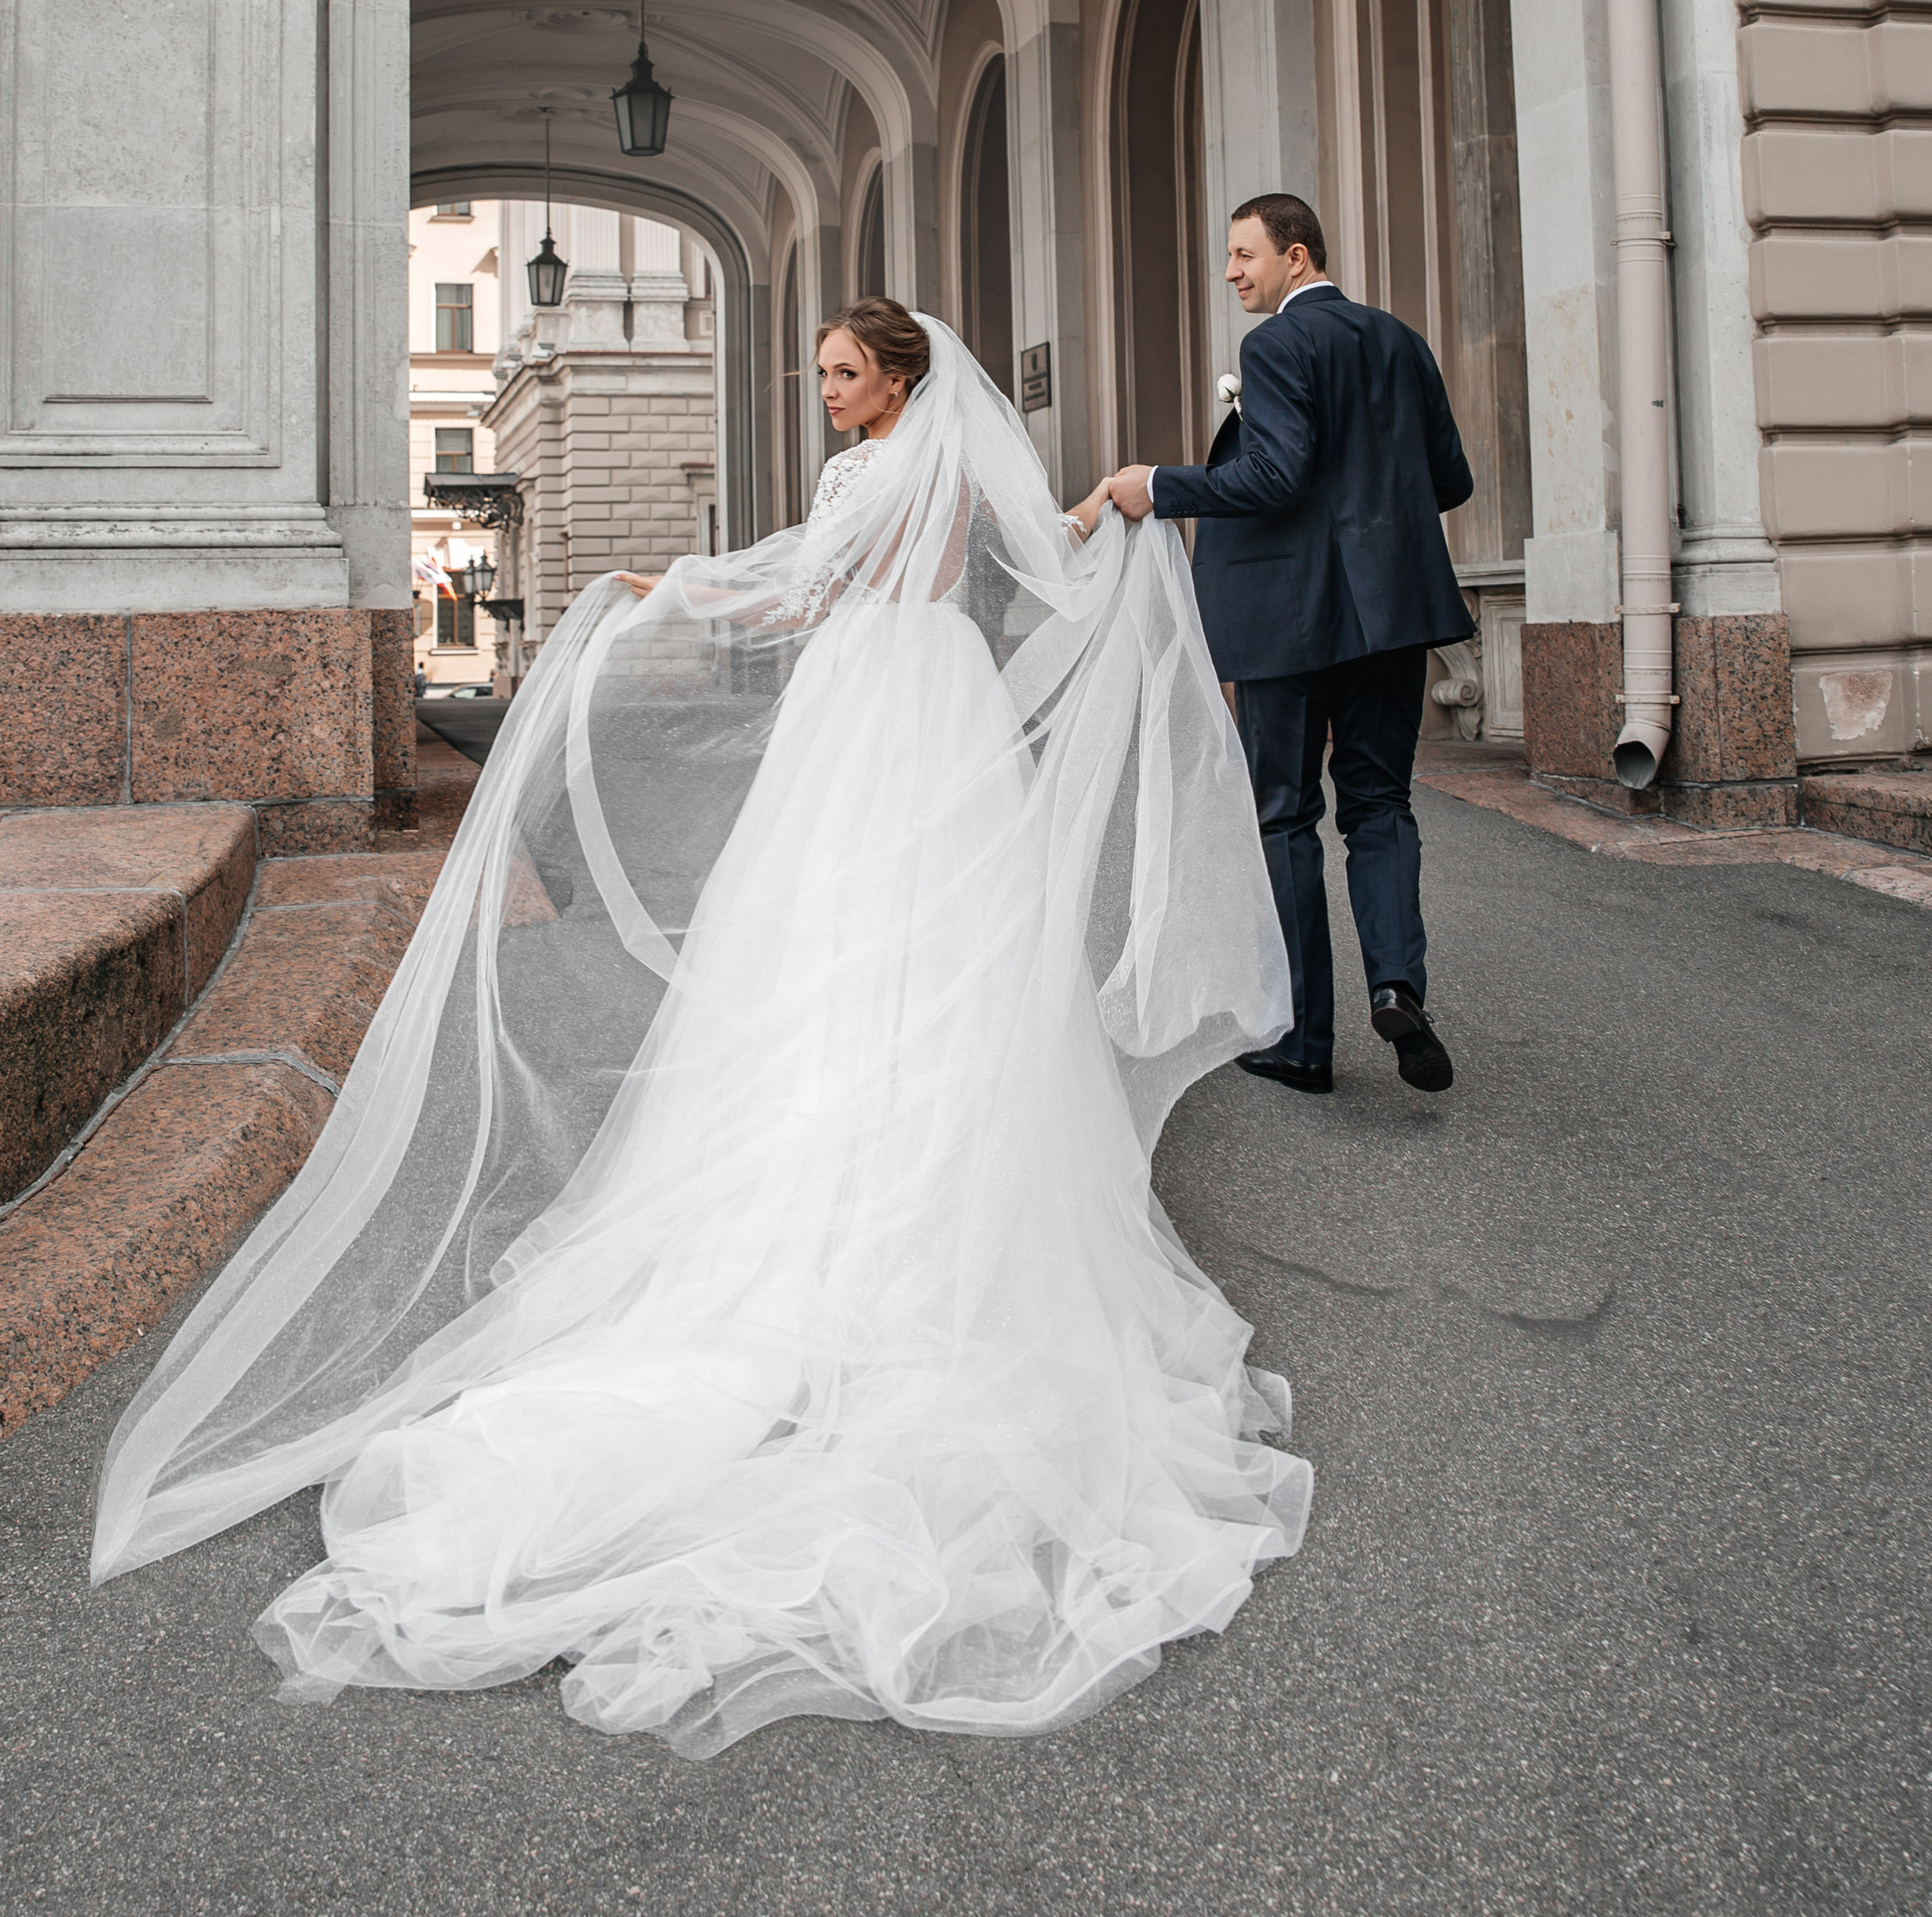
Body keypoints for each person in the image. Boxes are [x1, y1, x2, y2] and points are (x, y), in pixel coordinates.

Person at [93, 302, 1310, 1755]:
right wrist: (1123, 513)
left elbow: (795, 597)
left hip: (867, 704)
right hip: (948, 709)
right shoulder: (970, 466)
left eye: (845, 375)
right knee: (942, 954)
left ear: (899, 379)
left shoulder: (873, 476)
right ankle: (942, 1175)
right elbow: (1047, 569)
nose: (826, 395)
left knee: (828, 938)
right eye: (822, 376)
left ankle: (839, 1180)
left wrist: (659, 590)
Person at [1092, 195, 1474, 1099]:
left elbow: (1274, 474)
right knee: (1380, 807)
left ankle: (1304, 1039)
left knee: (1285, 815)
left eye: (1242, 255)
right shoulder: (1399, 340)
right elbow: (1449, 479)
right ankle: (1395, 985)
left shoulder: (1273, 347)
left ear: (1295, 257)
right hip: (1395, 618)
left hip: (1290, 623)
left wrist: (1155, 483)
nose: (1230, 272)